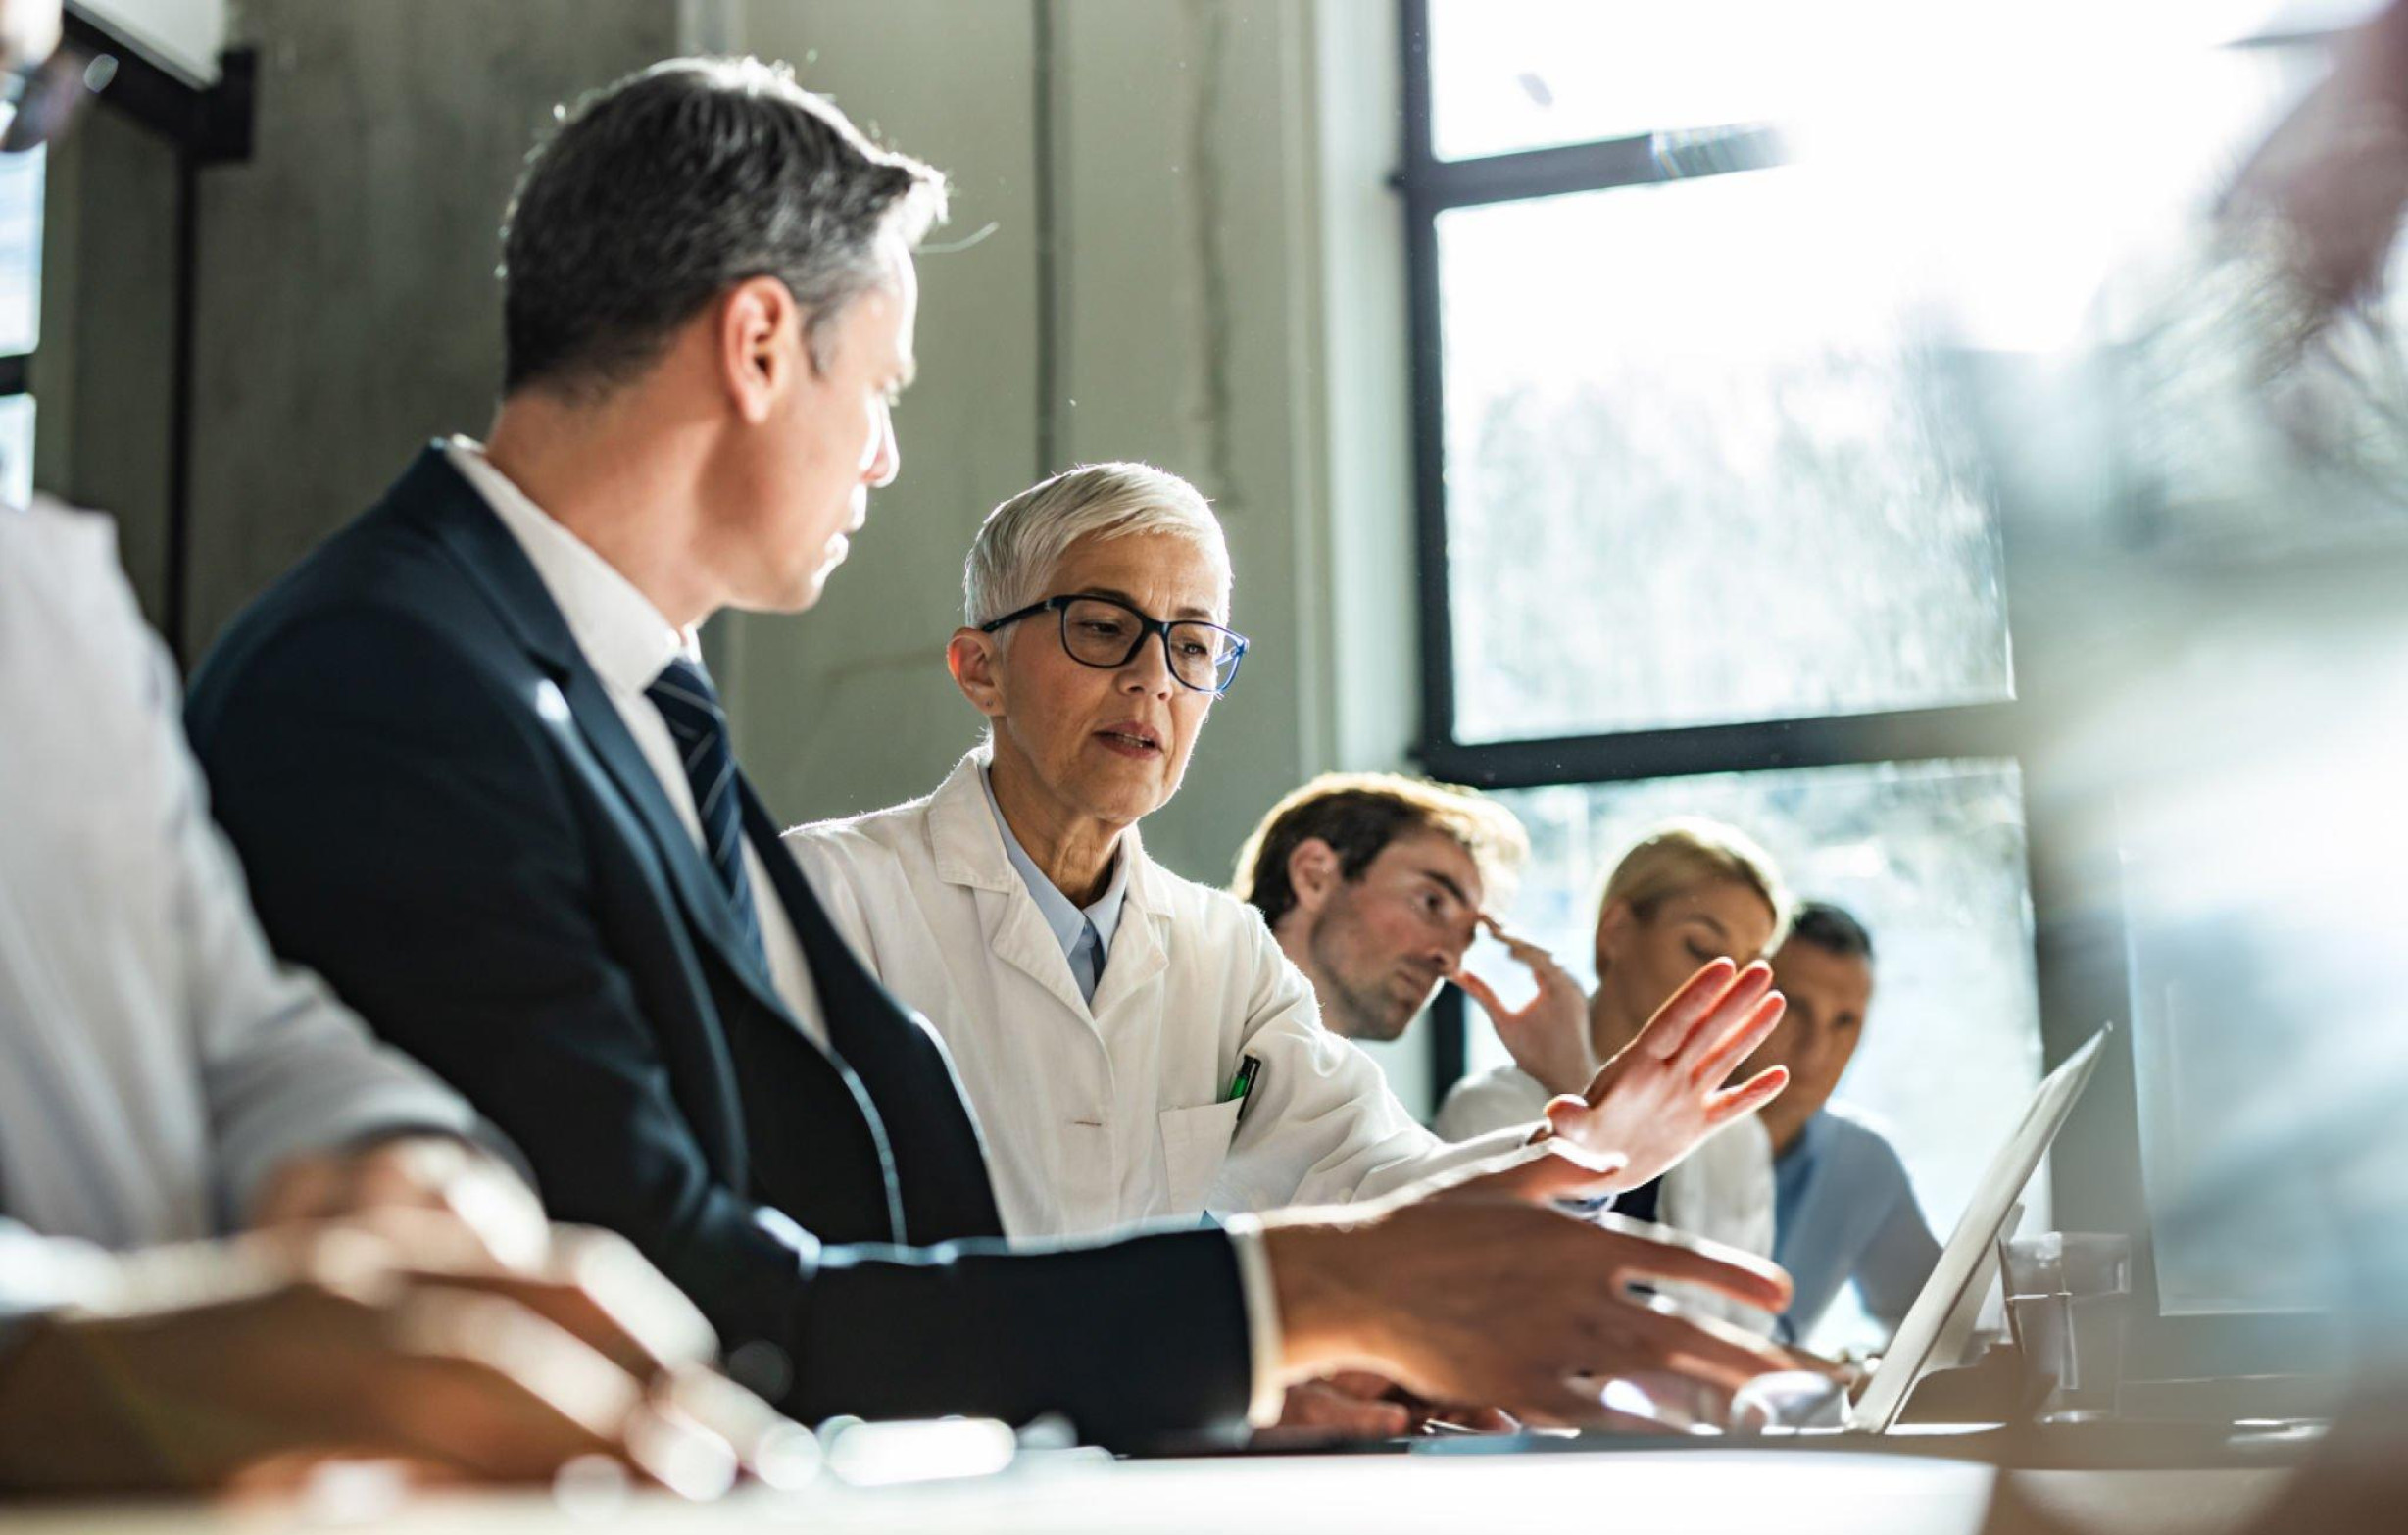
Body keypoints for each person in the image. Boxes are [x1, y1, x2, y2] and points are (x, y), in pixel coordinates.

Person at [185, 56, 1798, 1448]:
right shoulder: (396, 685)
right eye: (877, 384)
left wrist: (1256, 1351)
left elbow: (865, 1240)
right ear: (759, 345)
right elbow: (669, 1282)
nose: (885, 453)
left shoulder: (603, 695)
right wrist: (1269, 1313)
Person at [0, 5, 775, 1487]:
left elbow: (241, 1035)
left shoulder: (49, 606)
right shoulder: (380, 665)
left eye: (6, 97)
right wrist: (71, 1356)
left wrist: (387, 1164)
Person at [784, 466, 1791, 1243]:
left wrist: (1586, 1152)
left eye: (1191, 647)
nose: (1152, 682)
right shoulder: (825, 897)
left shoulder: (1224, 952)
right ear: (981, 668)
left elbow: (1372, 1181)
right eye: (1102, 629)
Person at [1437, 819, 1792, 1328]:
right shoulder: (1491, 1114)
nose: (1724, 990)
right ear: (1617, 931)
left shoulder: (1738, 1136)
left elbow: (1749, 1326)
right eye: (1700, 949)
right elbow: (1489, 1319)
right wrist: (1578, 1095)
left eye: (1747, 968)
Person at [1746, 901, 1940, 1343]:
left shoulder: (1863, 1164)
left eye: (1844, 1022)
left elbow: (1941, 1334)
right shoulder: (1657, 1143)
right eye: (1792, 1008)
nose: (1816, 1050)